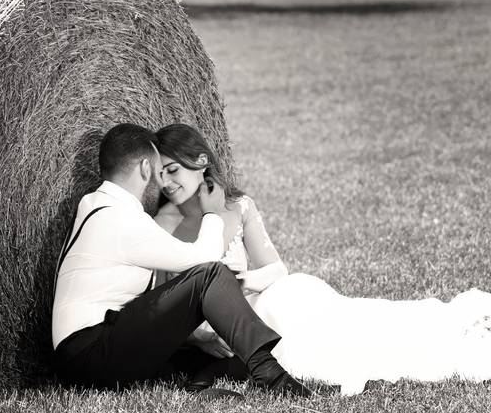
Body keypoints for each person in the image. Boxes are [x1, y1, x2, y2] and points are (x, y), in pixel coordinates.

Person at [153, 123, 491, 395]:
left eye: (172, 171)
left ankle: (443, 327)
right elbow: (162, 302)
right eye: (159, 175)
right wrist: (200, 335)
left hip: (276, 296)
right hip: (248, 322)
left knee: (363, 318)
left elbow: (276, 269)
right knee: (329, 348)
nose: (166, 183)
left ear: (200, 162)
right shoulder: (163, 224)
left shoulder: (238, 206)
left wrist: (239, 281)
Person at [51, 123, 312, 397]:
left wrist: (198, 337)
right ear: (144, 168)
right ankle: (270, 375)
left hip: (92, 350)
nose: (162, 182)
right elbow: (204, 261)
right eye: (157, 170)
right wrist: (211, 213)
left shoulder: (96, 204)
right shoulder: (122, 219)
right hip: (91, 354)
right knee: (212, 273)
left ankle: (202, 383)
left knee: (229, 354)